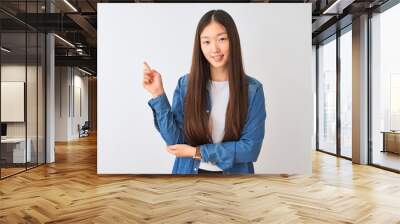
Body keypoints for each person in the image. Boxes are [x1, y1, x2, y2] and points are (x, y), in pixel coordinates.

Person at [142, 9, 266, 175]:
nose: (214, 48)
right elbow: (176, 142)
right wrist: (158, 95)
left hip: (234, 181)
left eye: (221, 39)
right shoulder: (186, 84)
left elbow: (250, 149)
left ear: (233, 41)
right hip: (188, 175)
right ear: (199, 46)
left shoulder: (253, 90)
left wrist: (197, 152)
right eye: (206, 42)